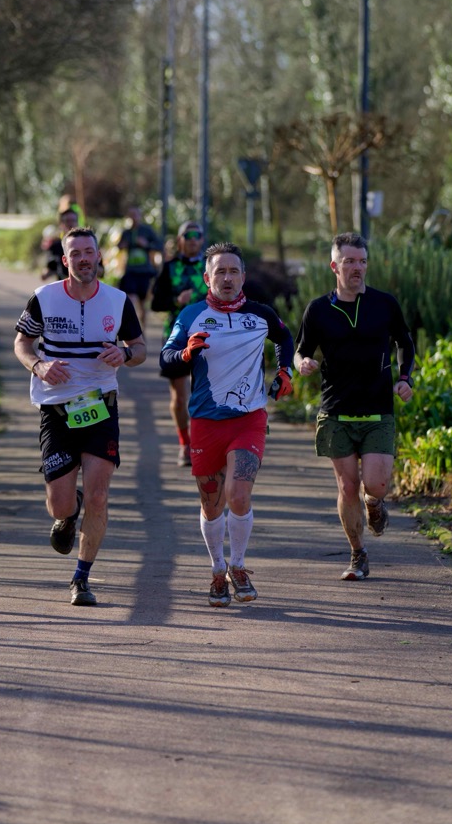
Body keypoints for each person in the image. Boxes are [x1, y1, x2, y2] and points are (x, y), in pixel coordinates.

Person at [14, 226, 146, 606]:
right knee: (59, 505)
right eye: (76, 254)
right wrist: (38, 366)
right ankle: (69, 510)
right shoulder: (44, 298)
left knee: (99, 496)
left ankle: (81, 578)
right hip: (56, 409)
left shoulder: (117, 301)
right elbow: (22, 343)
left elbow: (139, 348)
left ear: (99, 257)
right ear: (65, 259)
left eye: (89, 252)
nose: (84, 259)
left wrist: (125, 354)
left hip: (101, 406)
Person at [160, 242, 295, 607]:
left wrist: (285, 370)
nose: (227, 278)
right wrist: (186, 352)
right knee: (211, 504)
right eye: (220, 271)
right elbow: (166, 358)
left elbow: (284, 336)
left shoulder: (260, 314)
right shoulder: (191, 315)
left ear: (243, 277)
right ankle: (217, 570)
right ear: (207, 278)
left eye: (234, 271)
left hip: (248, 419)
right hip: (206, 421)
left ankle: (238, 565)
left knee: (238, 495)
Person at [293, 231, 415, 582]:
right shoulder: (318, 309)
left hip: (378, 410)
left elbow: (405, 342)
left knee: (376, 485)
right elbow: (301, 350)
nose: (357, 268)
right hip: (336, 411)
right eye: (349, 261)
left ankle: (374, 504)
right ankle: (358, 554)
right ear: (335, 266)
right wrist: (302, 363)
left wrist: (405, 378)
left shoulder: (384, 304)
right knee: (347, 488)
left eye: (362, 261)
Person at [150, 220, 208, 467]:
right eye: (188, 235)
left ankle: (202, 443)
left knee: (205, 393)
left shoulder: (212, 266)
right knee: (179, 396)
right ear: (180, 240)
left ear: (202, 240)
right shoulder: (170, 267)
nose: (193, 239)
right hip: (177, 336)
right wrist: (176, 300)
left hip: (208, 335)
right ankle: (185, 443)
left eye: (197, 235)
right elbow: (156, 303)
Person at [118, 205, 164, 330]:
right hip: (130, 272)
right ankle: (133, 329)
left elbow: (159, 246)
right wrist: (122, 245)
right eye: (131, 215)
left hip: (144, 272)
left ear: (140, 216)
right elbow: (119, 246)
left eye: (135, 215)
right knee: (131, 300)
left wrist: (146, 245)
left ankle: (142, 331)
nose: (133, 218)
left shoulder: (147, 231)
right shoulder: (126, 232)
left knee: (143, 304)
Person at [42, 206, 80, 280]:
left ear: (77, 222)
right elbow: (50, 268)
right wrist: (45, 274)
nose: (71, 224)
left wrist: (86, 269)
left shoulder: (88, 243)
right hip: (63, 285)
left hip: (84, 286)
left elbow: (101, 270)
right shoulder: (55, 245)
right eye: (67, 221)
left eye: (73, 220)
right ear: (61, 224)